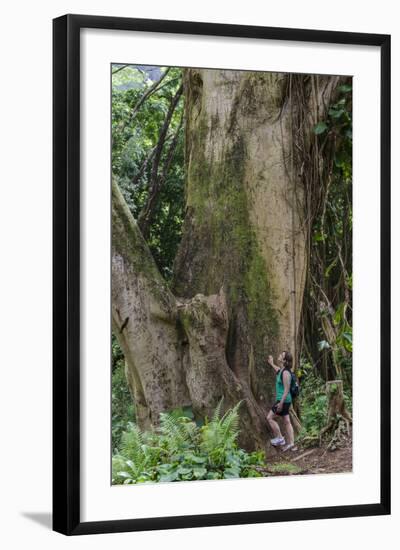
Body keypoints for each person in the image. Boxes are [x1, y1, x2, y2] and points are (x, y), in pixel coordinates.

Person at [266, 351, 296, 452]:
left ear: (284, 360)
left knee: (269, 418)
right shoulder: (282, 370)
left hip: (283, 400)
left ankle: (279, 438)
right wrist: (271, 363)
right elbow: (278, 370)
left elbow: (287, 389)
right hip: (285, 400)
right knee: (287, 421)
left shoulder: (286, 373)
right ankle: (291, 443)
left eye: (281, 355)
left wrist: (281, 403)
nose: (279, 355)